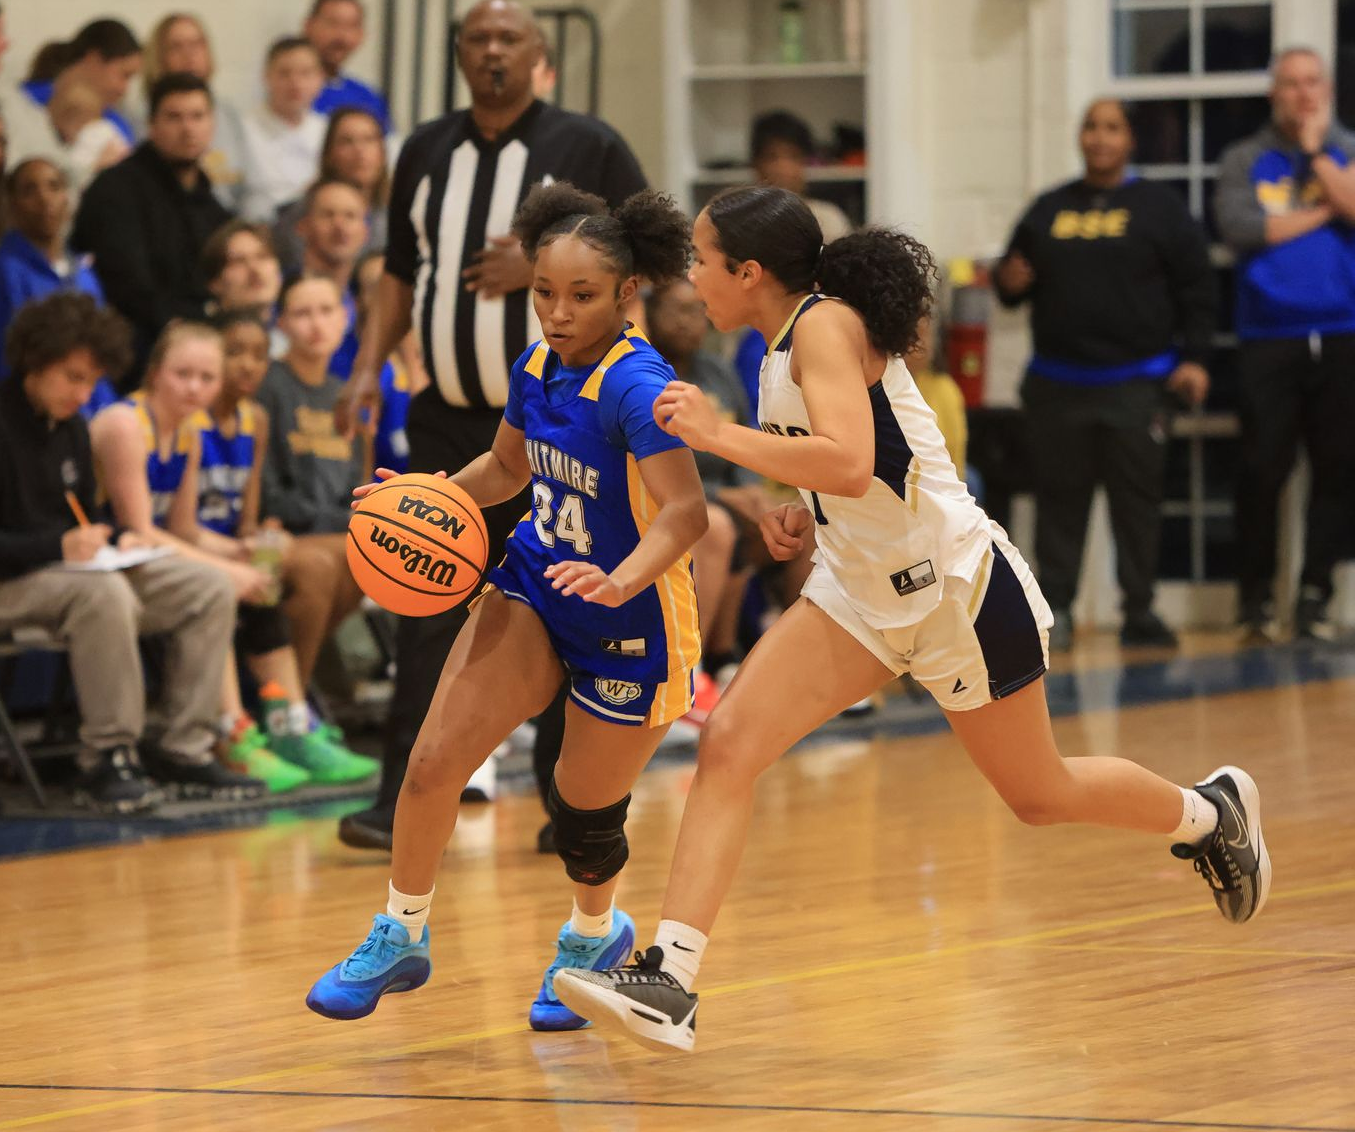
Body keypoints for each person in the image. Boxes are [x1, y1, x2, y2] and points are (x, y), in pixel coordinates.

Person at [550, 184, 1270, 1054]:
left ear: (748, 272)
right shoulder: (773, 349)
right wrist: (799, 509)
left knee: (1039, 796)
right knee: (729, 742)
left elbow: (852, 461)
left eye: (702, 260)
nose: (689, 276)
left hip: (955, 591)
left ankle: (1207, 814)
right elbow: (863, 465)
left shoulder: (822, 325)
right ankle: (669, 976)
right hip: (858, 595)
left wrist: (718, 436)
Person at [304, 181, 706, 1032]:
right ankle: (401, 933)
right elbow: (504, 470)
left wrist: (620, 580)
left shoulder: (638, 388)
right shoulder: (536, 366)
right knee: (431, 762)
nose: (557, 313)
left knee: (580, 814)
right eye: (544, 293)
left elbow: (685, 514)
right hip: (534, 580)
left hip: (630, 618)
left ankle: (593, 935)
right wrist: (424, 501)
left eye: (581, 296)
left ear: (627, 292)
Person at [333, 0, 648, 853]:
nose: (493, 50)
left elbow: (645, 259)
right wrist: (365, 368)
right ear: (459, 53)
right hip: (445, 414)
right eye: (478, 38)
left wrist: (539, 262)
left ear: (539, 54)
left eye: (510, 37)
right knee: (425, 598)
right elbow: (399, 271)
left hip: (562, 422)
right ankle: (401, 795)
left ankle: (568, 806)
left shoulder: (588, 144)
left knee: (563, 600)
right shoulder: (424, 149)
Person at [0, 293, 236, 813]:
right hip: (14, 582)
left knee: (208, 586)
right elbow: (51, 539)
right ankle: (108, 757)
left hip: (65, 577)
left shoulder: (71, 430)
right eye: (72, 377)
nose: (83, 394)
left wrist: (115, 539)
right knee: (103, 595)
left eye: (91, 381)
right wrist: (57, 545)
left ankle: (184, 747)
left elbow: (83, 519)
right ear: (34, 361)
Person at [994, 98, 1215, 652]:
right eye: (1091, 126)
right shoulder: (1048, 208)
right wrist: (1008, 280)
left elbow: (1198, 288)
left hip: (1137, 385)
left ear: (1130, 140)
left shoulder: (1160, 208)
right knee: (1059, 505)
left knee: (1137, 505)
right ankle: (1058, 612)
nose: (1099, 137)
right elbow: (1010, 280)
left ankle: (1139, 611)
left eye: (1112, 128)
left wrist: (1196, 358)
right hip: (1058, 386)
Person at [89, 321, 336, 799]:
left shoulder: (188, 431)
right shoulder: (126, 423)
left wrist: (238, 551)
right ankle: (223, 732)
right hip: (107, 565)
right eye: (182, 374)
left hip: (147, 560)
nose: (194, 387)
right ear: (155, 372)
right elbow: (141, 529)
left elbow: (184, 529)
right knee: (218, 585)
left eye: (206, 378)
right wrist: (226, 568)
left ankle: (283, 723)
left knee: (256, 576)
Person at [197, 308, 379, 789]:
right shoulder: (191, 422)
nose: (247, 364)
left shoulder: (253, 418)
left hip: (233, 544)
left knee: (355, 556)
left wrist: (255, 542)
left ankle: (290, 720)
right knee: (311, 568)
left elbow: (248, 515)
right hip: (198, 551)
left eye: (258, 354)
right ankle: (272, 718)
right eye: (234, 352)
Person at [1215, 48, 1355, 643]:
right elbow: (1243, 229)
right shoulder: (1244, 158)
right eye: (1291, 84)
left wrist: (1317, 155)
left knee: (1337, 469)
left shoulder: (1345, 150)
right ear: (1275, 94)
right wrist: (1326, 210)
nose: (1302, 94)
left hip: (1343, 333)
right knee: (1261, 469)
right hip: (1267, 336)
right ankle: (1255, 601)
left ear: (1327, 90)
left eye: (1311, 83)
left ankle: (1315, 596)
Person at [255, 275, 372, 693]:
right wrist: (331, 520)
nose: (316, 324)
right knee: (324, 567)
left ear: (345, 318)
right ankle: (291, 700)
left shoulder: (344, 395)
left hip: (329, 532)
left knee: (371, 558)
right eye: (302, 314)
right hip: (274, 535)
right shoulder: (267, 386)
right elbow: (263, 490)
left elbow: (356, 489)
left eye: (326, 311)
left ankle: (290, 691)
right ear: (281, 324)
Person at [71, 73, 230, 373]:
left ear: (212, 124)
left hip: (203, 345)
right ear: (151, 124)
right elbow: (126, 285)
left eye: (197, 116)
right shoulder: (115, 189)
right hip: (134, 352)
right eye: (174, 117)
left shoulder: (213, 207)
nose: (188, 128)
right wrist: (181, 331)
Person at [0, 158, 110, 419]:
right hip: (27, 414)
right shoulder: (6, 270)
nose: (44, 199)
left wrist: (107, 410)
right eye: (29, 190)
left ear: (68, 199)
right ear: (11, 204)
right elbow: (12, 357)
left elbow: (101, 353)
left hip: (88, 405)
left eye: (54, 186)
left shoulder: (83, 272)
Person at [137, 14, 249, 212]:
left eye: (197, 44)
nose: (189, 55)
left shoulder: (228, 112)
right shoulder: (140, 115)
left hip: (231, 220)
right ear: (158, 56)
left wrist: (250, 222)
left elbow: (254, 187)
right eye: (177, 47)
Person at [273, 108, 390, 274]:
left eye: (369, 139)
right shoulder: (301, 213)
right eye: (347, 141)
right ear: (329, 154)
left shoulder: (396, 213)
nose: (359, 150)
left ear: (383, 152)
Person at [240, 38, 327, 223]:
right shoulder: (242, 130)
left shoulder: (328, 131)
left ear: (320, 78)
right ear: (266, 77)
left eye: (305, 73)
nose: (295, 83)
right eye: (284, 73)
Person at [17, 19, 140, 148]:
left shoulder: (118, 128)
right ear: (93, 59)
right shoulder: (23, 100)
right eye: (125, 75)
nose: (124, 89)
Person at [305, 0, 392, 131]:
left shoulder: (367, 98)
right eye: (333, 23)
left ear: (361, 35)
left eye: (351, 26)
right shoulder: (285, 90)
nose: (341, 36)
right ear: (309, 26)